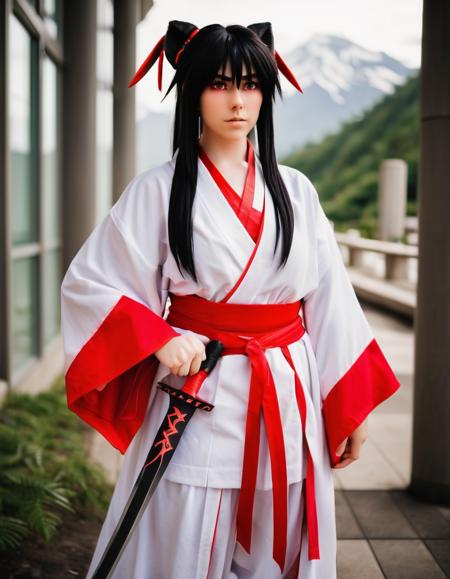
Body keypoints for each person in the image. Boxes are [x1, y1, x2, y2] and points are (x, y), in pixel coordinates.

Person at [60, 20, 401, 579]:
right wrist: (160, 336)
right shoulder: (157, 189)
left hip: (289, 386)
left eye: (251, 85)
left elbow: (330, 298)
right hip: (200, 385)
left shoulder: (296, 190)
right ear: (192, 92)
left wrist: (347, 404)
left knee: (283, 519)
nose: (238, 101)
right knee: (188, 521)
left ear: (267, 93)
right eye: (219, 84)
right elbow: (92, 283)